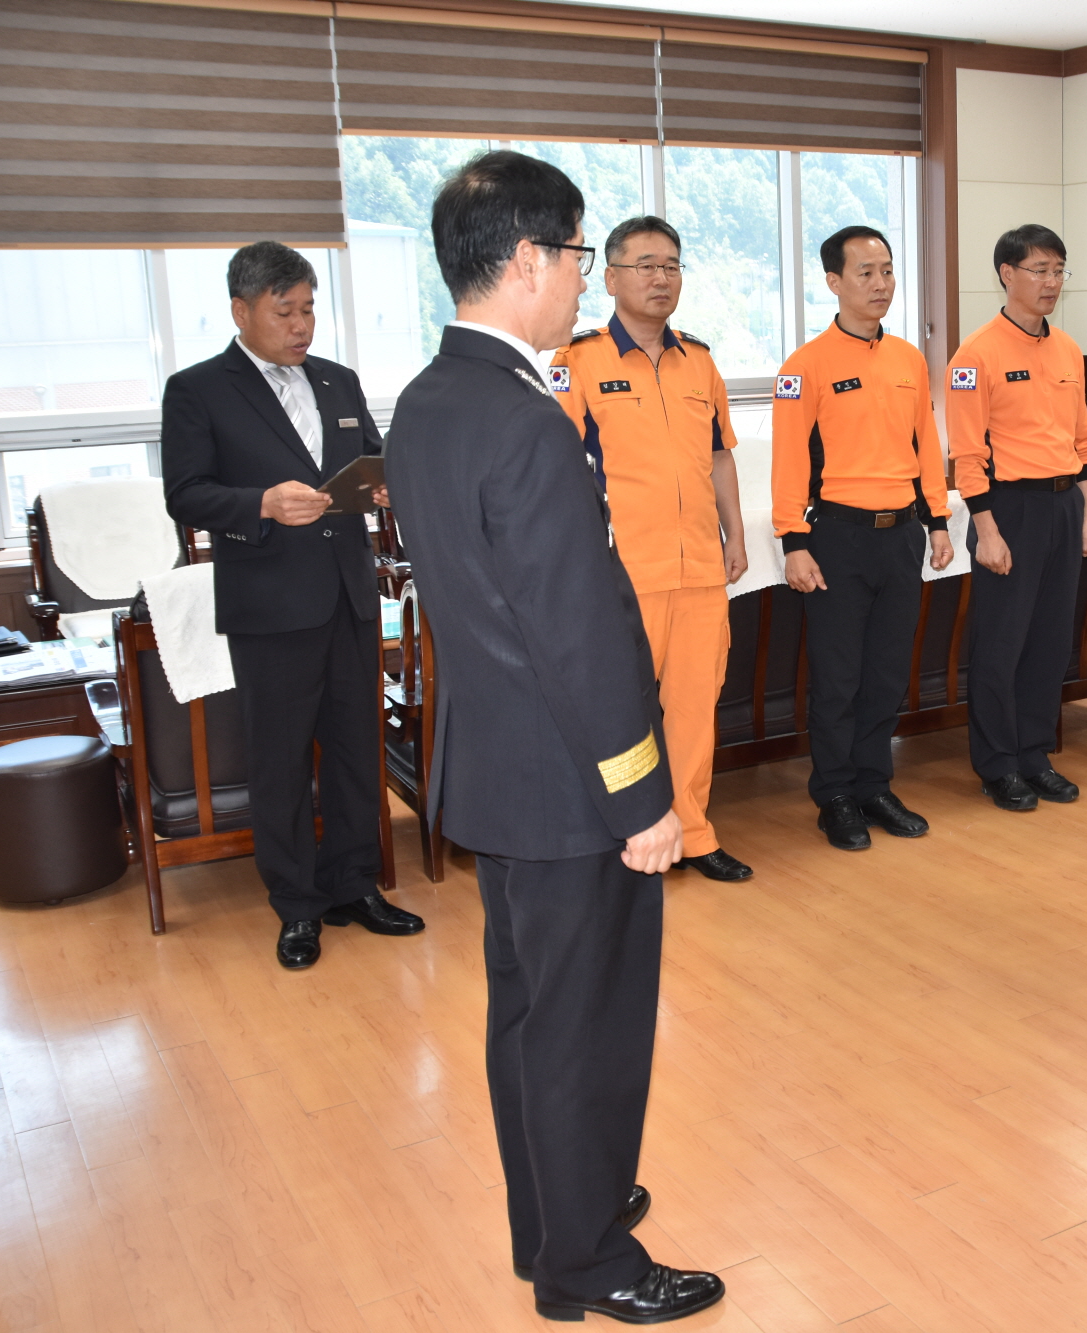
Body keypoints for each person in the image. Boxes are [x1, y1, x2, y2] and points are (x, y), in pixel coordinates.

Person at [383, 151, 723, 1323]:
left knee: (530, 1016)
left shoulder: (430, 398)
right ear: (527, 259)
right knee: (589, 1028)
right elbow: (578, 630)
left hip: (500, 777)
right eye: (578, 254)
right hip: (576, 789)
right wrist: (642, 798)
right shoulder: (526, 419)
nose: (584, 276)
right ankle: (586, 1262)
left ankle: (554, 1212)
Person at [162, 241, 424, 970]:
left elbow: (371, 457)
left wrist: (383, 487)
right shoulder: (198, 389)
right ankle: (297, 905)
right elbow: (185, 493)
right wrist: (261, 503)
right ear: (241, 311)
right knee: (279, 761)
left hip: (348, 594)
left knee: (355, 748)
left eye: (309, 309)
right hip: (269, 602)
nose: (302, 325)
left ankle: (354, 885)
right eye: (285, 312)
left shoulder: (338, 381)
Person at [551, 216, 753, 883]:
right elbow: (559, 470)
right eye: (645, 266)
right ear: (610, 278)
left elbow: (720, 456)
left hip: (699, 568)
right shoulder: (577, 362)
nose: (660, 277)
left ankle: (693, 833)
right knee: (622, 713)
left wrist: (735, 534)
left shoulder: (700, 360)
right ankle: (625, 835)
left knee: (694, 708)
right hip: (624, 573)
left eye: (671, 265)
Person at [774, 225, 953, 851]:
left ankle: (875, 784)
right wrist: (793, 539)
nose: (881, 284)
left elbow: (925, 444)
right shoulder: (804, 367)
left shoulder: (908, 359)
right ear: (834, 282)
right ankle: (836, 795)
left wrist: (937, 520)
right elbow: (790, 459)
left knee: (886, 674)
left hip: (900, 536)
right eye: (866, 273)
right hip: (836, 540)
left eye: (888, 270)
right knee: (838, 678)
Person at [948, 224, 1087, 812]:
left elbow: (1083, 442)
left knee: (1050, 640)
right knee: (1001, 644)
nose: (1051, 282)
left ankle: (1035, 755)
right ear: (1007, 274)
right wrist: (986, 531)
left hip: (1064, 504)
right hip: (1008, 509)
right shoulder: (975, 355)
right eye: (1040, 270)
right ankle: (998, 765)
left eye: (1059, 270)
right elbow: (968, 455)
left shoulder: (1067, 349)